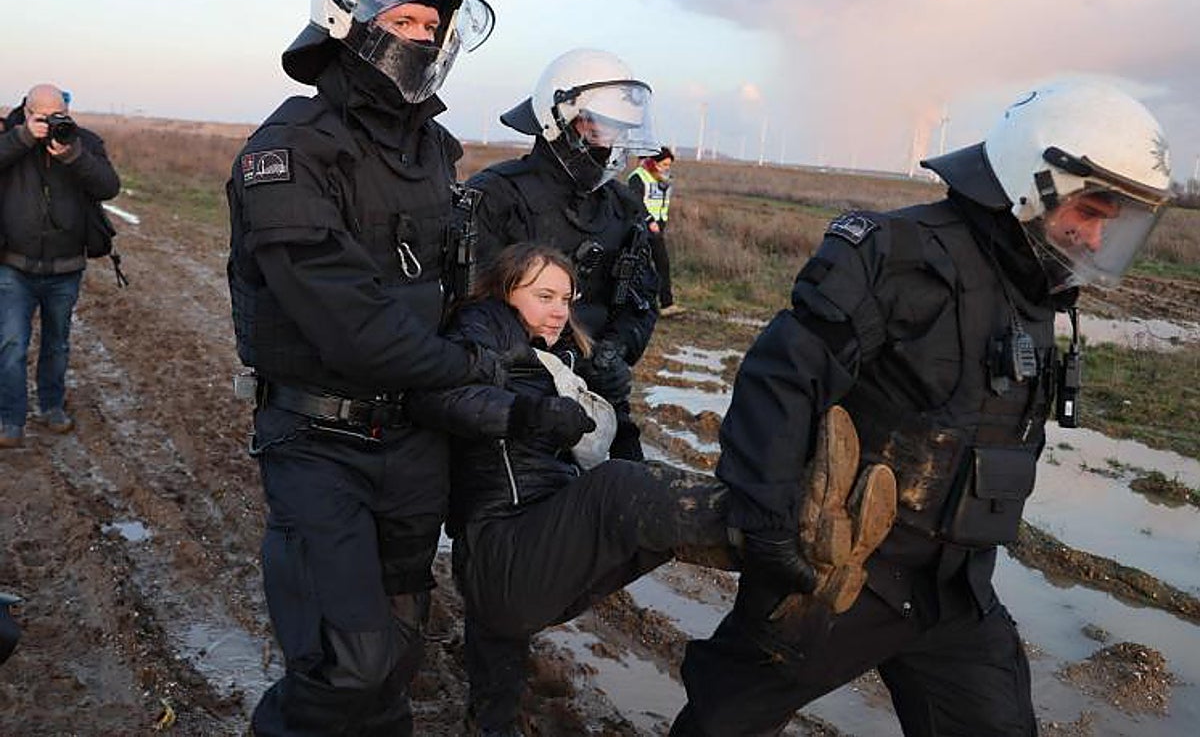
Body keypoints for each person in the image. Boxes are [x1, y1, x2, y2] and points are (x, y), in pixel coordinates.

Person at [667, 80, 1174, 737]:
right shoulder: (897, 252)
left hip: (957, 593)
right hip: (845, 575)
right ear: (1034, 182)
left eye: (1112, 222)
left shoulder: (1036, 291)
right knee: (723, 720)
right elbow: (780, 380)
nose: (1098, 240)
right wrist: (765, 523)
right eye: (1091, 214)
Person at [411, 243, 896, 736]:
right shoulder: (484, 325)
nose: (560, 310)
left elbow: (621, 464)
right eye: (544, 296)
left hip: (528, 571)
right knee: (618, 491)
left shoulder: (562, 361)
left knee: (647, 519)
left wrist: (616, 411)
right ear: (504, 290)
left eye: (567, 297)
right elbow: (441, 396)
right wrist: (526, 414)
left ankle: (812, 567)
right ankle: (799, 522)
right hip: (505, 556)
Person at [224, 0, 511, 736]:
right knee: (342, 670)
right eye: (405, 21)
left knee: (397, 662)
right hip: (320, 445)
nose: (422, 39)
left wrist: (498, 331)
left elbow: (467, 283)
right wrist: (474, 370)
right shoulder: (288, 151)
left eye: (434, 26)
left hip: (415, 445)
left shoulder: (435, 153)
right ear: (346, 18)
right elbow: (350, 321)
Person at [467, 48, 661, 462]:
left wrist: (614, 352)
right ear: (561, 122)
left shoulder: (623, 208)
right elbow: (470, 305)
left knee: (627, 505)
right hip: (516, 400)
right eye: (601, 129)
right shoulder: (497, 194)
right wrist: (547, 363)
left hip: (598, 397)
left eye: (621, 132)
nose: (611, 145)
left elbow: (642, 302)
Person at [0, 85, 120, 448]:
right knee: (10, 343)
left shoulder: (83, 142)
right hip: (14, 265)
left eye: (59, 116)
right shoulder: (10, 138)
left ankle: (52, 407)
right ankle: (10, 420)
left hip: (66, 267)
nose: (52, 123)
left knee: (57, 345)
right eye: (43, 117)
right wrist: (23, 137)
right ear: (27, 110)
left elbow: (109, 187)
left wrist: (73, 156)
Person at [627, 146, 683, 316]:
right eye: (664, 164)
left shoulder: (663, 179)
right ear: (654, 162)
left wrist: (661, 221)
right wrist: (650, 220)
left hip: (658, 228)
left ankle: (667, 304)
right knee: (640, 267)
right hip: (642, 227)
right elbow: (636, 203)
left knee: (662, 264)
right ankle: (637, 303)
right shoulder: (638, 177)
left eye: (669, 165)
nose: (667, 168)